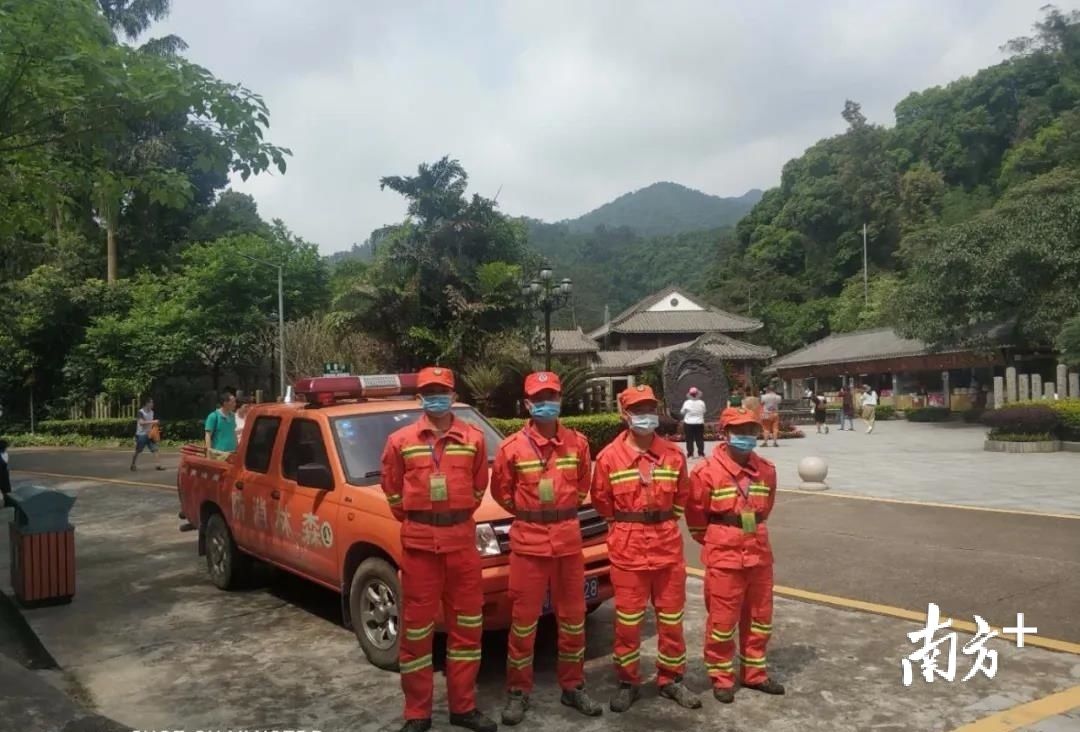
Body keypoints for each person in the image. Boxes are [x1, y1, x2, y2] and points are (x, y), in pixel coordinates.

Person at [380, 367, 496, 732]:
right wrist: (424, 519)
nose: (436, 397)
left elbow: (479, 489)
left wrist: (452, 516)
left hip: (461, 545)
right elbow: (393, 492)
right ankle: (418, 713)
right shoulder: (400, 441)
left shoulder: (474, 438)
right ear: (420, 397)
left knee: (467, 629)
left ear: (453, 394)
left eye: (442, 391)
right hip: (420, 548)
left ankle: (463, 707)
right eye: (429, 391)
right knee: (416, 632)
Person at [491, 371, 602, 725]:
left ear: (559, 400)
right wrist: (533, 514)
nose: (546, 405)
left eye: (551, 397)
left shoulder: (578, 444)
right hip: (529, 545)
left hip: (568, 543)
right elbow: (502, 493)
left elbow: (583, 486)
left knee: (572, 620)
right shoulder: (511, 448)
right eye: (539, 399)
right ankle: (518, 692)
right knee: (524, 623)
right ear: (528, 404)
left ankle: (573, 687)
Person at [591, 385, 701, 713]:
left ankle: (671, 679)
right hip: (628, 550)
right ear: (624, 415)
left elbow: (682, 496)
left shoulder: (672, 454)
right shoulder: (609, 457)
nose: (645, 416)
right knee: (627, 621)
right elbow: (602, 502)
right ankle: (628, 681)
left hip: (667, 548)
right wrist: (629, 524)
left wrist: (663, 522)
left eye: (650, 408)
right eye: (638, 410)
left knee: (671, 618)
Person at [686, 406, 784, 704]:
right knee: (722, 621)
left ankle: (755, 674)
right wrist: (719, 537)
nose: (746, 437)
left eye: (751, 431)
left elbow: (764, 509)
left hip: (758, 554)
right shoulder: (705, 472)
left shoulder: (766, 469)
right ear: (723, 434)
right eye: (739, 431)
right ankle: (722, 676)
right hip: (724, 556)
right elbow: (695, 518)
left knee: (760, 618)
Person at [131, 397, 164, 471]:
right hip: (141, 434)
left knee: (155, 449)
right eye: (151, 402)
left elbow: (151, 423)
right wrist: (153, 422)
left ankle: (158, 465)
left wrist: (155, 429)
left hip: (149, 434)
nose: (152, 404)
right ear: (147, 403)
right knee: (138, 450)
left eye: (152, 402)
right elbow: (141, 422)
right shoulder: (141, 412)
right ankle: (133, 464)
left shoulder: (152, 412)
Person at [679, 387, 707, 459]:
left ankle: (690, 454)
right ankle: (701, 454)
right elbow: (704, 411)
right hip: (699, 423)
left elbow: (682, 412)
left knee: (689, 439)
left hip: (688, 423)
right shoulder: (701, 402)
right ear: (697, 394)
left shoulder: (686, 403)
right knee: (700, 439)